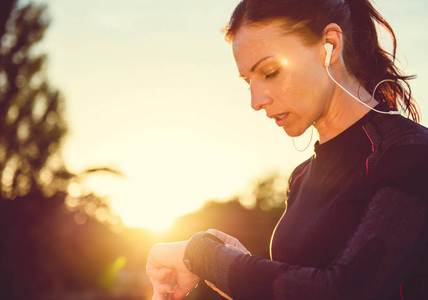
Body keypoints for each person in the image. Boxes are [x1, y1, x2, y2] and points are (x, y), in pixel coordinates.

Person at [146, 0, 428, 299]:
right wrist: (234, 264)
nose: (255, 101)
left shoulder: (410, 155)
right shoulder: (301, 177)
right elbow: (295, 287)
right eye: (248, 81)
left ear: (329, 46)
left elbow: (344, 290)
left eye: (269, 72)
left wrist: (201, 255)